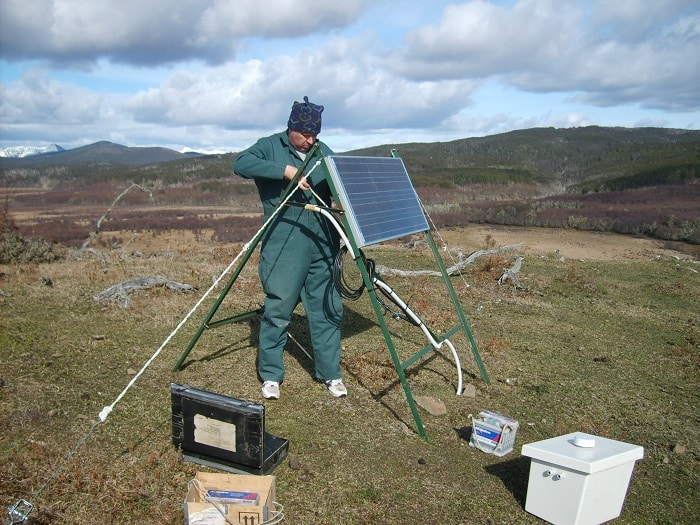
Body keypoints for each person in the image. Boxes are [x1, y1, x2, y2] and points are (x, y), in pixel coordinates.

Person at [233, 96, 346, 400]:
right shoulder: (270, 146)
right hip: (284, 245)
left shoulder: (322, 151)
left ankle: (330, 372)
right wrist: (285, 171)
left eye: (315, 135)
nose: (311, 140)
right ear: (291, 128)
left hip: (323, 243)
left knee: (327, 308)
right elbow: (241, 164)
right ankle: (271, 375)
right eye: (306, 134)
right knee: (278, 308)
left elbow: (341, 179)